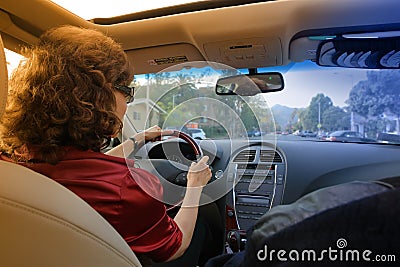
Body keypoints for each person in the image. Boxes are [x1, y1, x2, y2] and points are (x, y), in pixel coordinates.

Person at [0, 25, 220, 266]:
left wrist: (136, 141)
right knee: (202, 222)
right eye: (126, 91)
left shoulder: (10, 162)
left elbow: (86, 169)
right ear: (99, 95)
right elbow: (175, 246)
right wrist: (195, 186)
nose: (127, 103)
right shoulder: (127, 187)